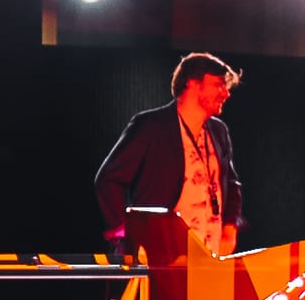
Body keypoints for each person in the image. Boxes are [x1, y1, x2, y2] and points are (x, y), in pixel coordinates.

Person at [95, 51, 243, 258]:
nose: (226, 94)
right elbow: (108, 179)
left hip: (210, 257)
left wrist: (230, 227)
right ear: (192, 84)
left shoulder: (219, 131)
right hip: (162, 256)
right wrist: (127, 235)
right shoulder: (151, 126)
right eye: (218, 84)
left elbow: (231, 184)